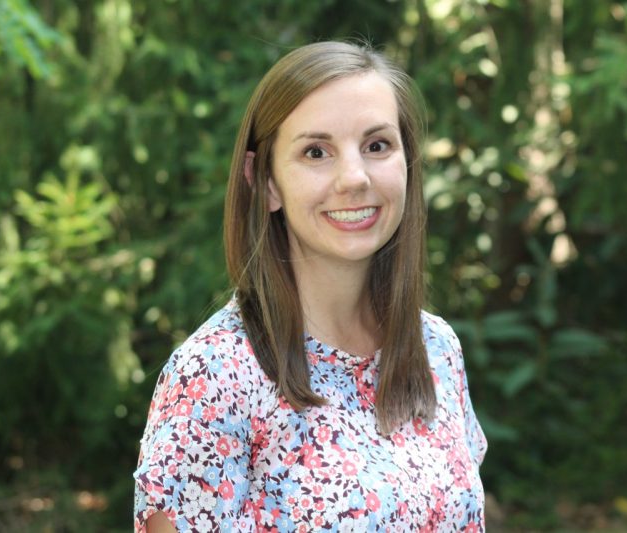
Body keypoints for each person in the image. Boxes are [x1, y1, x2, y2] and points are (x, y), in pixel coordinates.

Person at [133, 40, 488, 532]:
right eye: (316, 152)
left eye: (377, 145)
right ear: (266, 181)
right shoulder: (215, 377)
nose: (354, 177)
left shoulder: (437, 350)